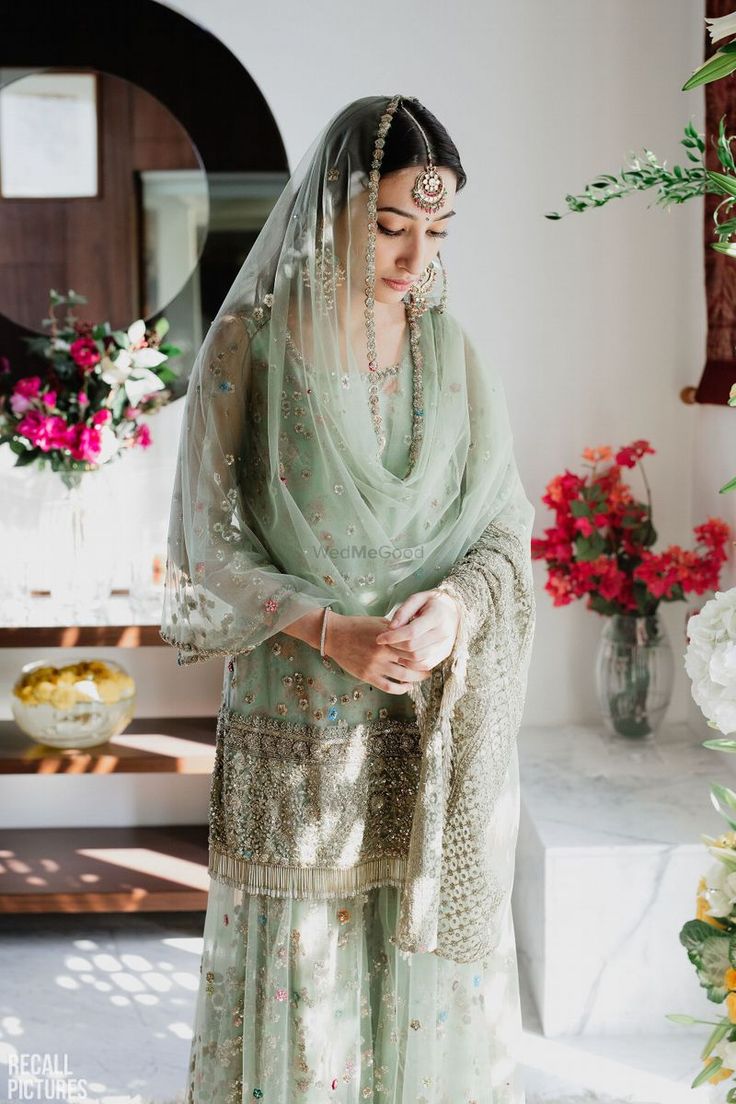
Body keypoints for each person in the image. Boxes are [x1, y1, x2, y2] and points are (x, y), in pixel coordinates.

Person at [160, 93, 536, 1104]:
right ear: (331, 206)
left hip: (422, 714)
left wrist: (455, 607)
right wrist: (329, 629)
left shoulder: (446, 353)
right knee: (307, 975)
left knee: (409, 966)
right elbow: (208, 547)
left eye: (437, 230)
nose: (416, 258)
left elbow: (502, 530)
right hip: (299, 713)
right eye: (390, 226)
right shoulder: (251, 345)